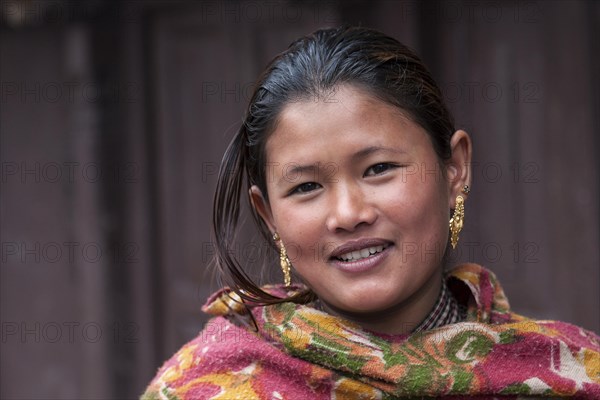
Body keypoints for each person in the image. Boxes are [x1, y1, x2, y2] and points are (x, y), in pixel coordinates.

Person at [142, 26, 599, 399]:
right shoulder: (208, 387)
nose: (347, 213)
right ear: (268, 215)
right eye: (305, 187)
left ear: (455, 167)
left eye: (379, 168)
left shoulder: (573, 373)